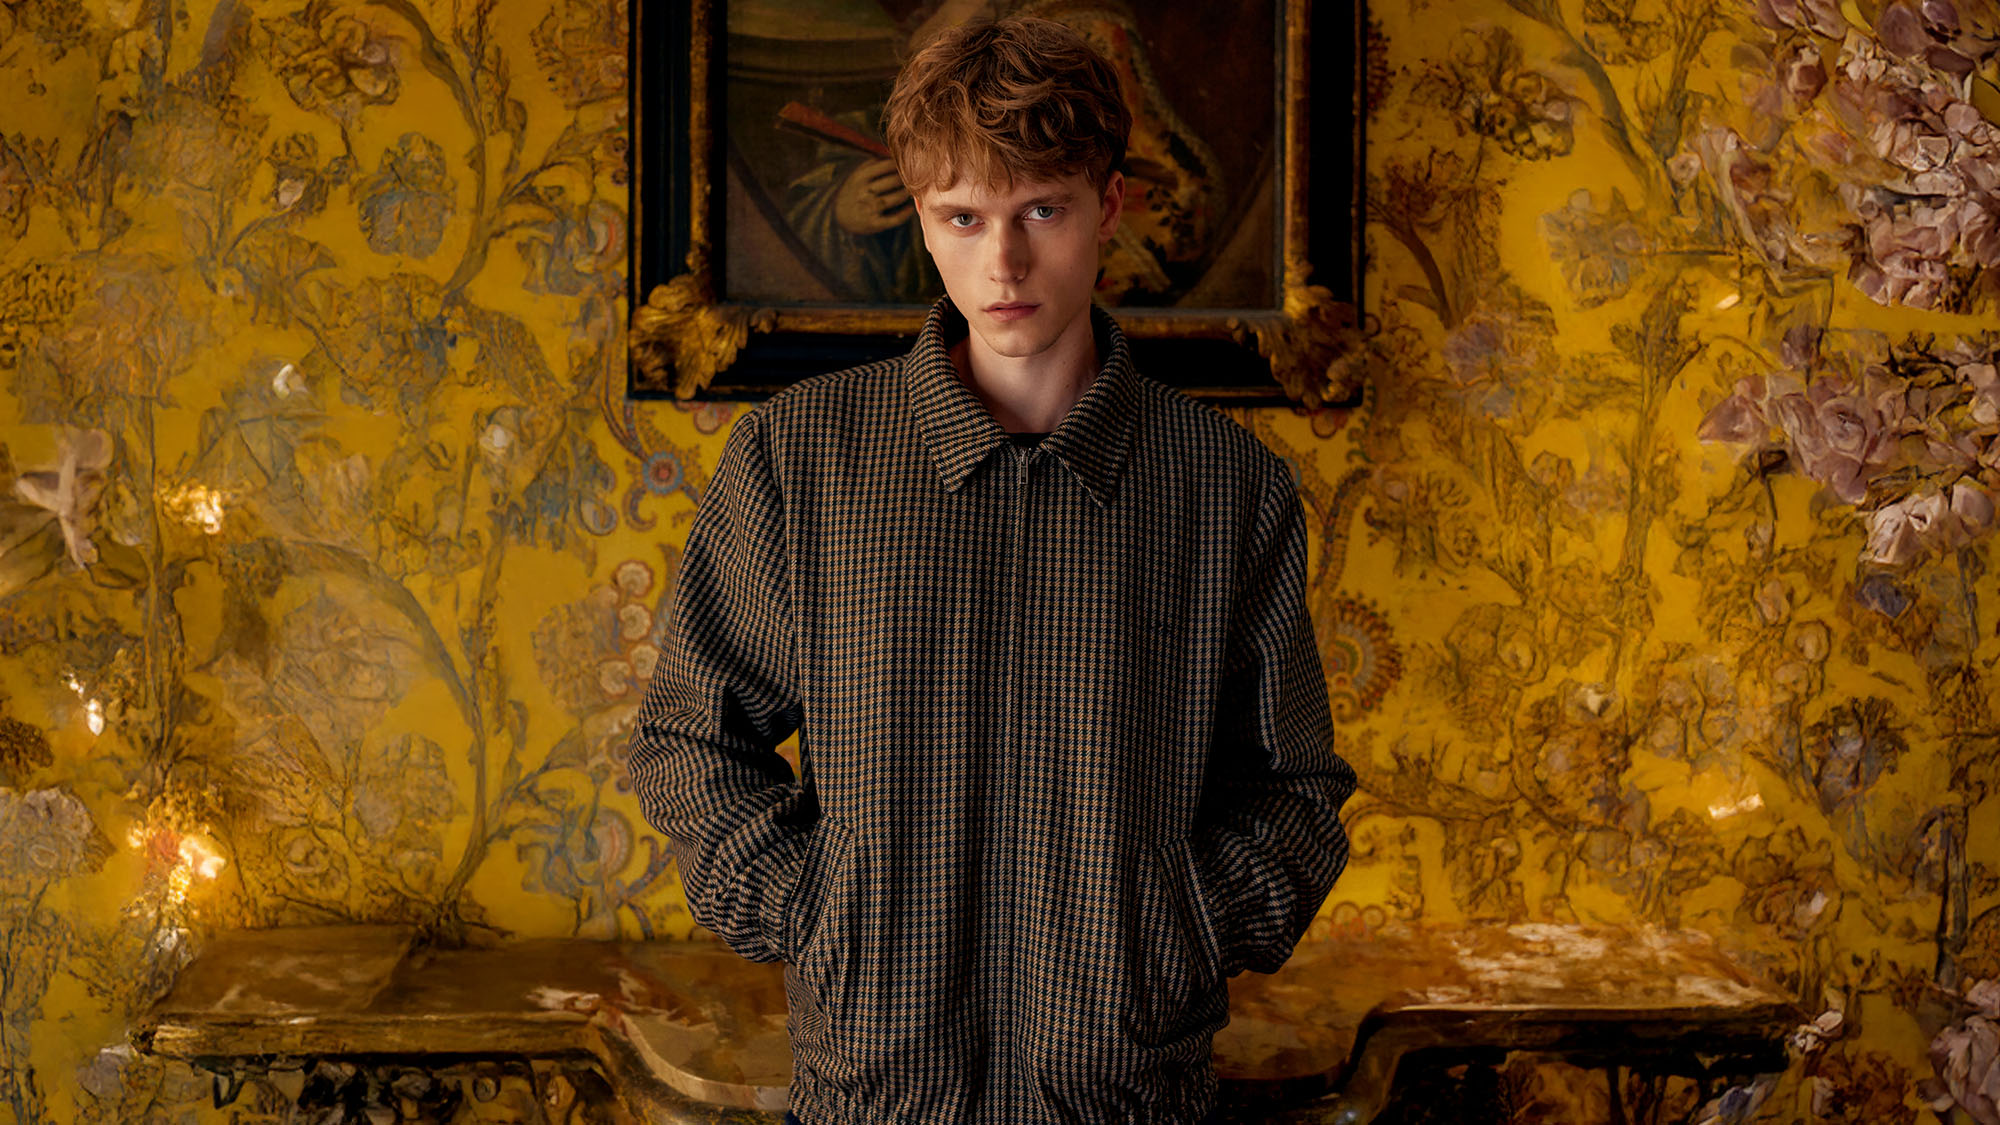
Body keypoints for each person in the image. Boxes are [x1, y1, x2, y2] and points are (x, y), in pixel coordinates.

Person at [626, 15, 1355, 1125]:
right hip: (872, 1095)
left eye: (1040, 212)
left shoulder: (1223, 487)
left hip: (1129, 1094)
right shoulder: (800, 459)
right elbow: (689, 741)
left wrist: (1176, 927)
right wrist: (823, 914)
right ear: (922, 219)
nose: (1001, 264)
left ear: (1109, 207)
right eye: (961, 218)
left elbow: (1293, 794)